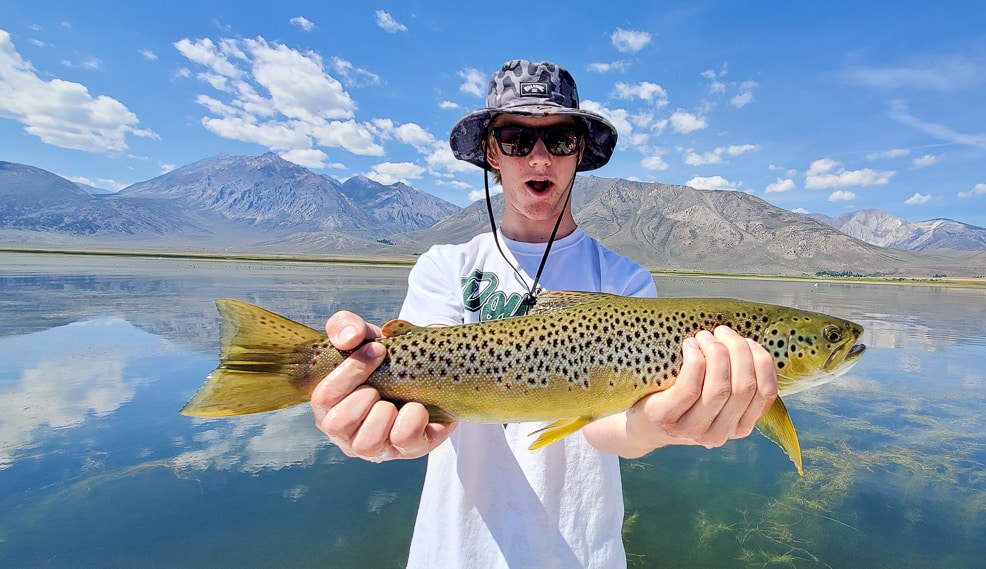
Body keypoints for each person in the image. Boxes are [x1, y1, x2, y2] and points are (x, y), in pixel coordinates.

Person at [309, 60, 779, 569]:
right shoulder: (443, 267)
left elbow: (608, 428)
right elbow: (417, 412)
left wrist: (664, 426)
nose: (539, 157)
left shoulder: (624, 282)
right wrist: (371, 434)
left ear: (578, 152)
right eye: (516, 139)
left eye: (558, 139)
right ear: (492, 152)